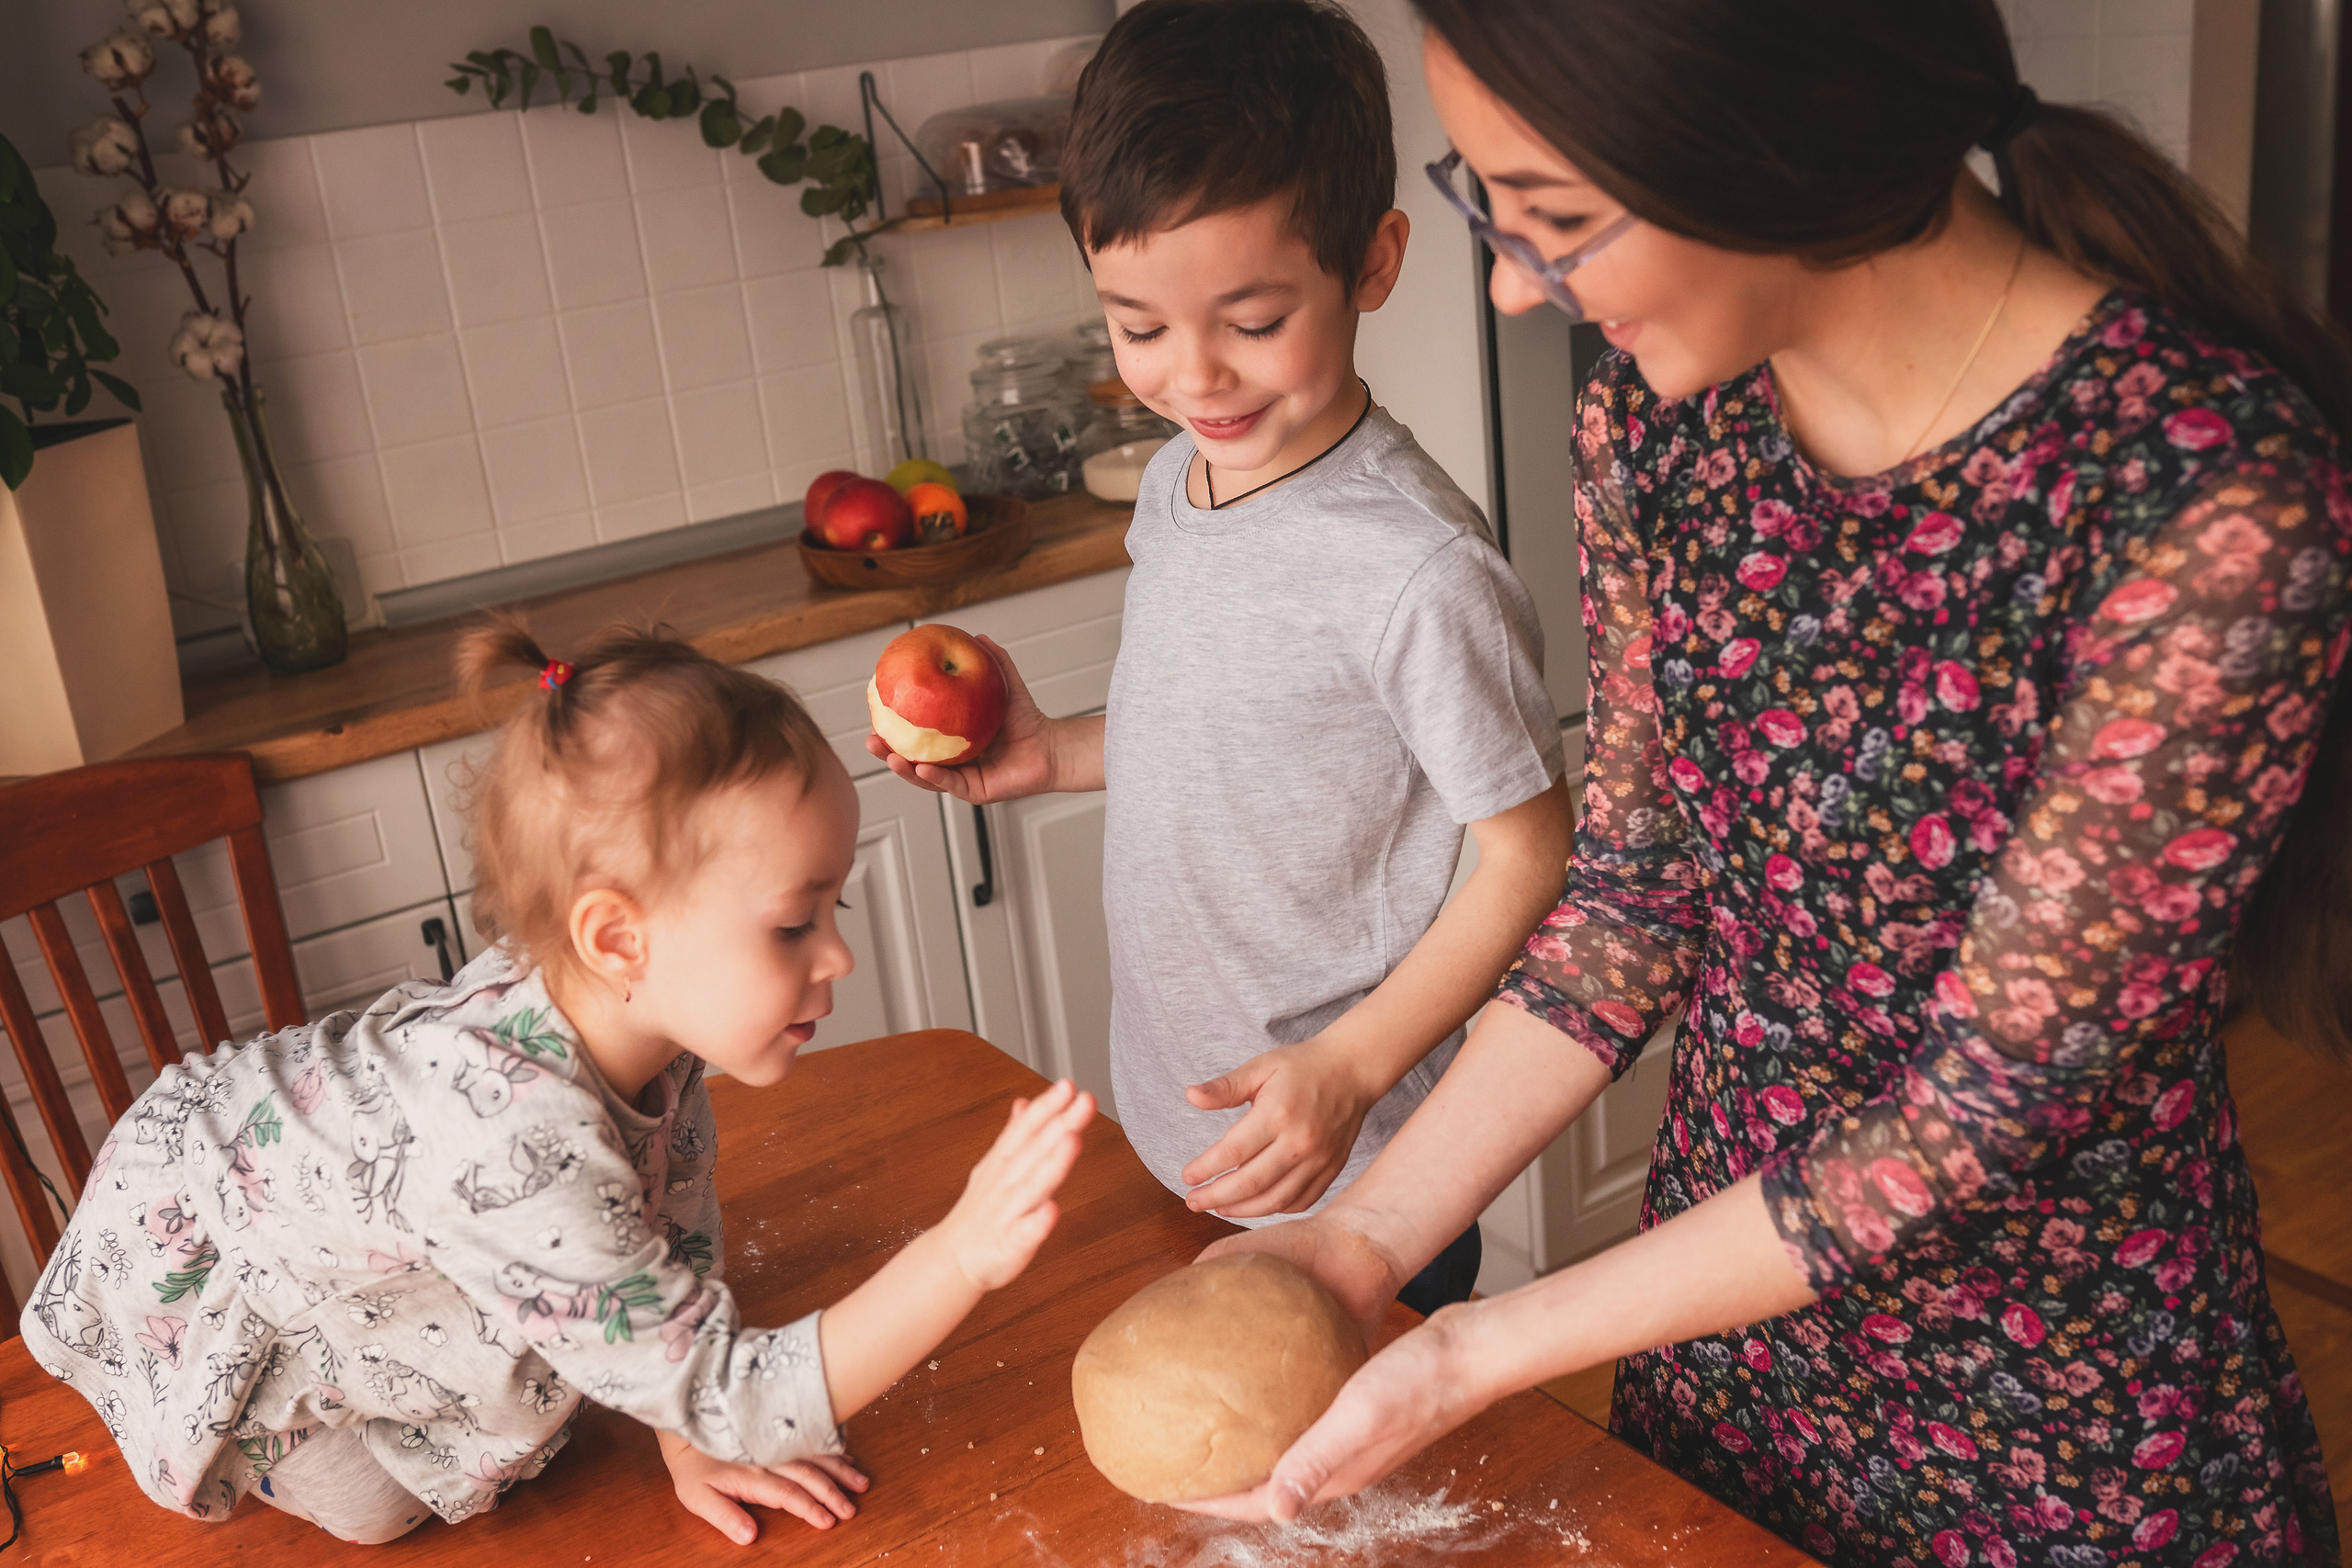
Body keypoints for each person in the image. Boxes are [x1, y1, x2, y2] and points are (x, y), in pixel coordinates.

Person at [1187, 3, 2351, 1564]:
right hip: (1726, 1346)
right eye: (1492, 204)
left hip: (2060, 1411)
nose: (1514, 286)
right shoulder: (1656, 426)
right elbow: (1633, 900)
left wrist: (1470, 1348)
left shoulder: (2210, 504)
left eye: (1552, 219)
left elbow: (1979, 1111)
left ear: (1770, 145)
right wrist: (1358, 1242)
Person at [21, 625, 1095, 1546]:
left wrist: (683, 1437)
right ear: (617, 937)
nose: (839, 958)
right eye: (791, 925)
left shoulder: (635, 1017)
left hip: (359, 1184)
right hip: (200, 1227)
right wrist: (958, 1254)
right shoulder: (514, 1142)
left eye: (835, 911)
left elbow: (670, 1222)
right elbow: (735, 1397)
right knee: (374, 1512)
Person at [868, 0, 1572, 1315]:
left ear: (1372, 262)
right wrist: (1056, 753)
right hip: (1183, 1135)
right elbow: (1231, 738)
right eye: (1139, 327)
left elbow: (1528, 855)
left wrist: (1352, 1066)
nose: (1194, 377)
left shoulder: (1415, 570)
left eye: (1251, 322)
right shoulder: (1179, 481)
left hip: (1357, 1181)